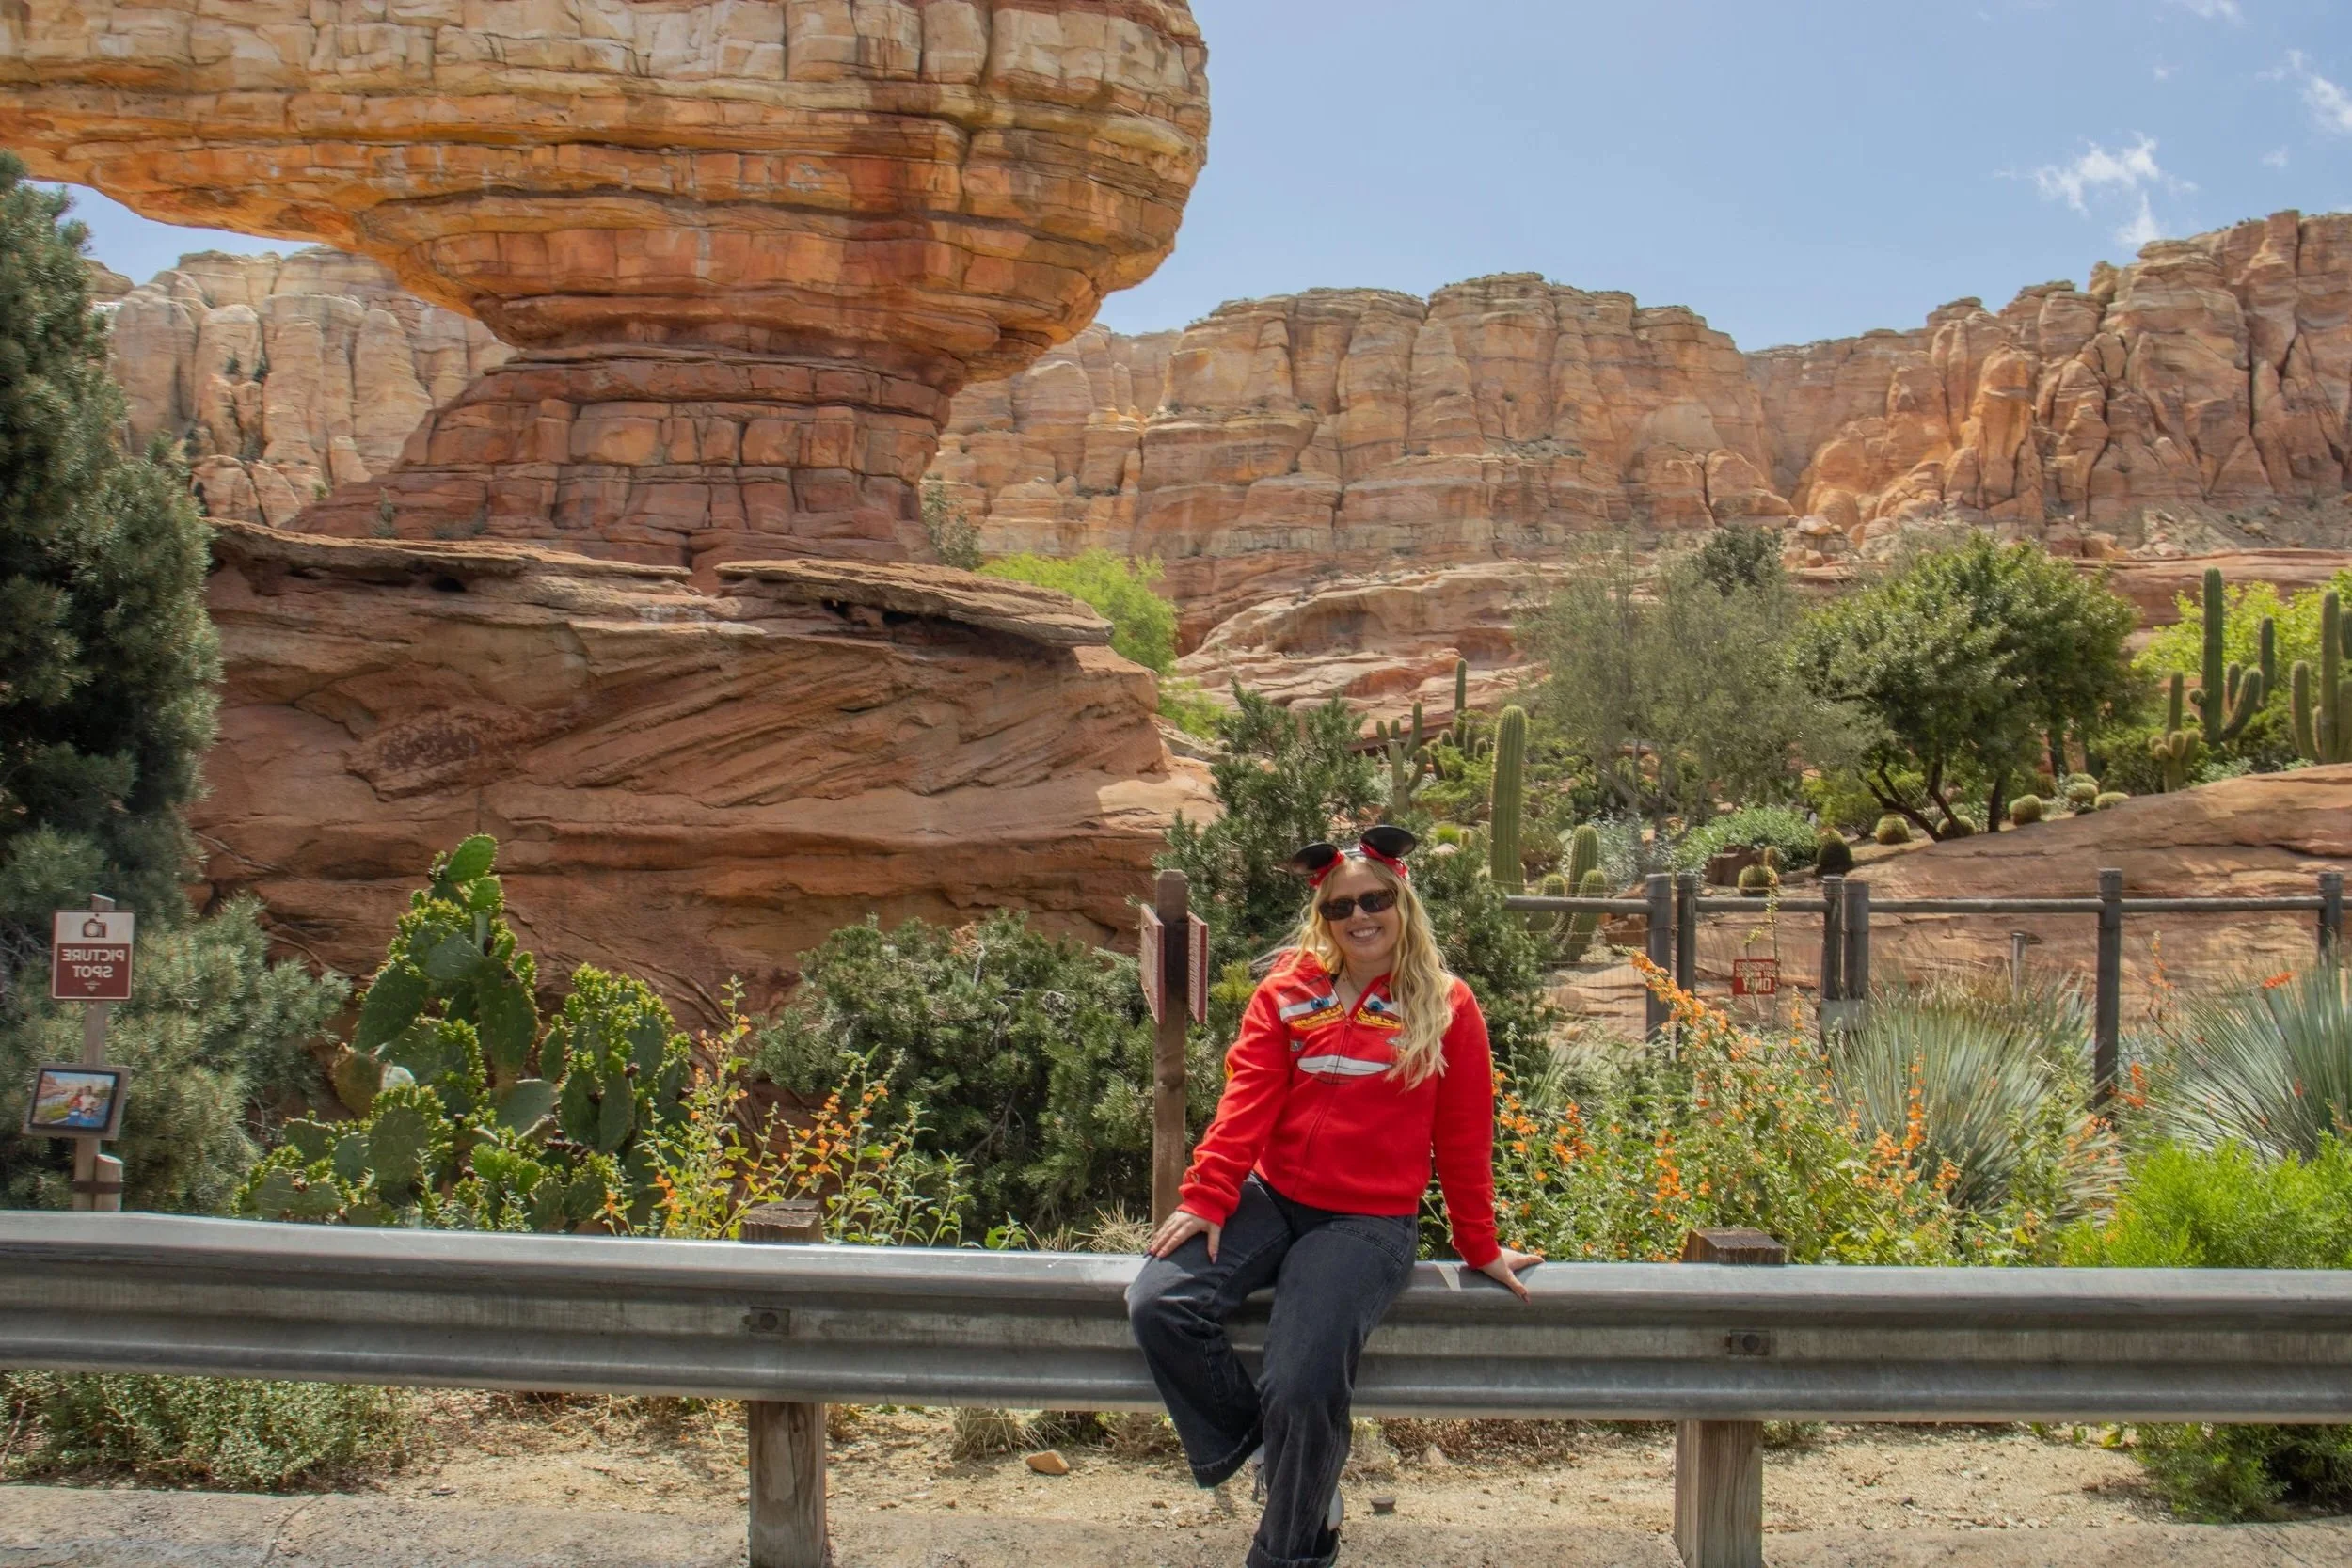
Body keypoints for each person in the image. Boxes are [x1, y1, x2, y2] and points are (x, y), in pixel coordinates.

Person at [1126, 824, 1543, 1568]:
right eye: (1340, 907)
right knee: (1159, 1301)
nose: (1359, 917)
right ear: (1323, 918)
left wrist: (1480, 1245)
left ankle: (1290, 1549)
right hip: (1274, 1197)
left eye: (1374, 899)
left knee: (1303, 1383)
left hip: (1366, 1222)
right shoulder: (1288, 991)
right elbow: (1245, 1103)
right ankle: (1285, 1466)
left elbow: (1464, 1141)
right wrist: (1210, 1195)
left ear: (1402, 900)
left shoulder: (1447, 1005)